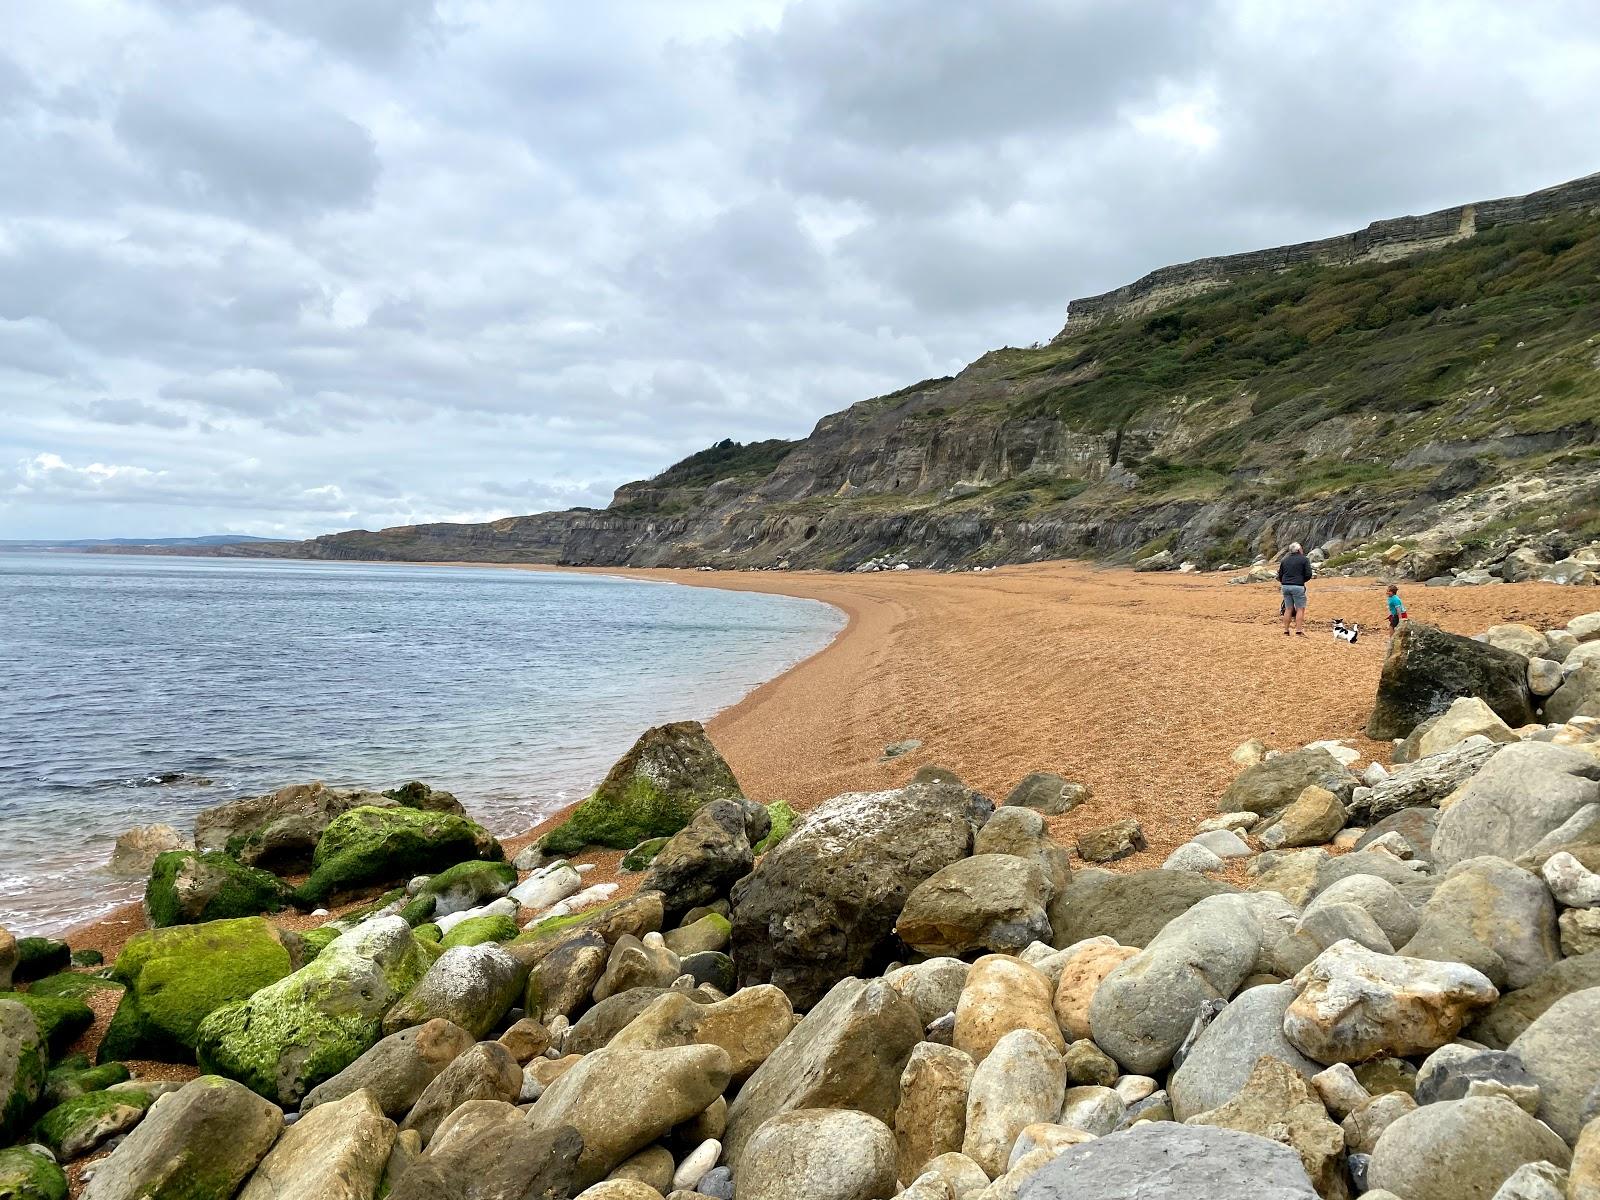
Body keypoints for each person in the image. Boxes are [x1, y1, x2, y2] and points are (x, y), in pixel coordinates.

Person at [1277, 542, 1312, 636]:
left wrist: (1284, 582)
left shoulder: (1285, 560)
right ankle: (1298, 630)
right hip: (1297, 585)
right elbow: (1308, 574)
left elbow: (1280, 574)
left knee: (1288, 608)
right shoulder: (1304, 559)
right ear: (1298, 550)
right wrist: (1302, 581)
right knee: (1300, 608)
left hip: (1285, 585)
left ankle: (1286, 630)